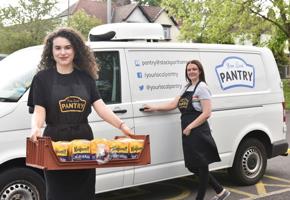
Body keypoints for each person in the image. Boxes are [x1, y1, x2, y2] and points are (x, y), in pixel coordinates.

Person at [27, 27, 134, 200]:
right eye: (58, 48)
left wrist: (122, 125)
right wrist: (36, 128)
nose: (63, 52)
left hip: (85, 144)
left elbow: (101, 107)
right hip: (55, 145)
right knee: (57, 194)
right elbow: (39, 110)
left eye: (67, 47)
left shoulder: (85, 77)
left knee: (83, 193)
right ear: (51, 51)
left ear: (75, 50)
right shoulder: (42, 78)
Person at [144, 60, 230, 200]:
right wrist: (154, 107)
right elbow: (173, 104)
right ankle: (220, 191)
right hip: (188, 132)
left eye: (194, 69)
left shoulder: (202, 88)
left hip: (199, 131)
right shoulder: (186, 87)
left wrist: (190, 126)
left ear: (200, 71)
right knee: (192, 166)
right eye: (189, 70)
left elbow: (207, 112)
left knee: (202, 166)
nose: (191, 72)